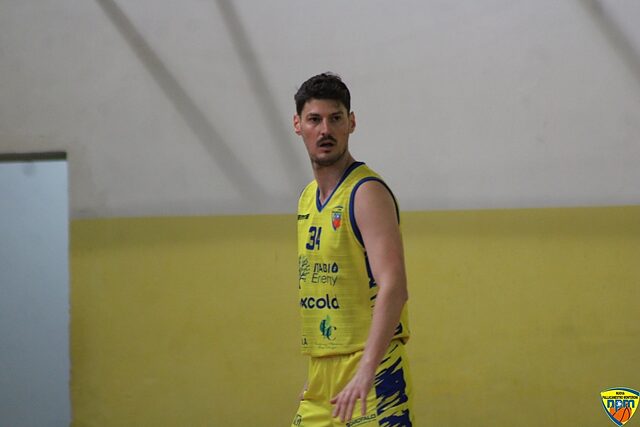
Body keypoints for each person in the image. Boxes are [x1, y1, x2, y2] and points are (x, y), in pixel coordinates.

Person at [291, 73, 413, 427]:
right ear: (298, 125)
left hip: (372, 374)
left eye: (335, 118)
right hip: (322, 378)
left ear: (352, 122)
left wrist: (366, 371)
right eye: (314, 119)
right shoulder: (306, 198)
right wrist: (320, 370)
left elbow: (394, 287)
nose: (325, 130)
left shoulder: (366, 193)